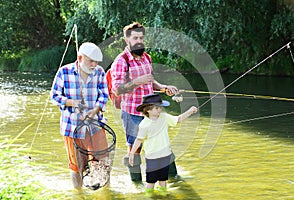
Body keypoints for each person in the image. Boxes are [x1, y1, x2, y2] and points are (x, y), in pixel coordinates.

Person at [110, 22, 179, 182]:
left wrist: (163, 88)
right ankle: (137, 185)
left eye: (141, 37)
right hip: (133, 113)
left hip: (152, 113)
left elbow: (150, 81)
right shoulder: (121, 61)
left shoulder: (146, 57)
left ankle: (175, 180)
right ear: (127, 40)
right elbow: (117, 89)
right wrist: (136, 82)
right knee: (135, 149)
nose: (139, 41)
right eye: (135, 38)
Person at [50, 42, 109, 190]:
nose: (94, 64)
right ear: (80, 57)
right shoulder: (64, 72)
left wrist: (95, 109)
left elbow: (104, 95)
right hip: (72, 127)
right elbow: (54, 96)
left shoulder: (100, 71)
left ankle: (105, 194)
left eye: (96, 62)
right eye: (91, 61)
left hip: (95, 125)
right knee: (77, 165)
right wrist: (71, 102)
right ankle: (79, 194)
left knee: (103, 162)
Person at [129, 94, 198, 193]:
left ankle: (163, 195)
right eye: (156, 108)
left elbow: (178, 119)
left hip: (165, 155)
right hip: (152, 157)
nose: (159, 110)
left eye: (160, 107)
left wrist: (190, 111)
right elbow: (139, 140)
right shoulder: (144, 124)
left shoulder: (164, 117)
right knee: (151, 181)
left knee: (163, 180)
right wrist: (132, 153)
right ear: (148, 110)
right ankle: (149, 197)